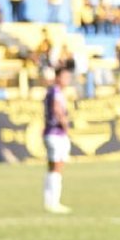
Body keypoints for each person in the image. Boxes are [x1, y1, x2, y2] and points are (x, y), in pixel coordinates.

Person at [43, 66, 73, 214]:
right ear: (58, 77)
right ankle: (54, 202)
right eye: (65, 77)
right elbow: (56, 108)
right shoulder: (55, 91)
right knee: (57, 166)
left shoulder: (54, 91)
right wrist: (64, 123)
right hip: (56, 133)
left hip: (51, 132)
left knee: (52, 167)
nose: (68, 80)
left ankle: (50, 201)